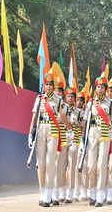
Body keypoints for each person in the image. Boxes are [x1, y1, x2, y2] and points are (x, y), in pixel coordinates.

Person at [28, 73, 72, 207]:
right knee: (41, 164)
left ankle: (48, 194)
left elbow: (63, 116)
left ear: (53, 87)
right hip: (41, 131)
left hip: (54, 131)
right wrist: (31, 133)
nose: (48, 87)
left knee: (50, 163)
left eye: (50, 85)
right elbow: (34, 117)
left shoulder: (58, 100)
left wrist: (68, 128)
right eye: (46, 84)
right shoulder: (40, 99)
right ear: (44, 86)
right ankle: (42, 192)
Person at [83, 73, 112, 207]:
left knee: (101, 166)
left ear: (105, 89)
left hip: (105, 135)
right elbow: (85, 121)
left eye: (102, 87)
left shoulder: (111, 104)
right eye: (97, 87)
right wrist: (82, 140)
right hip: (92, 134)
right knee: (91, 166)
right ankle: (91, 193)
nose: (99, 90)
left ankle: (99, 195)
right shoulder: (90, 103)